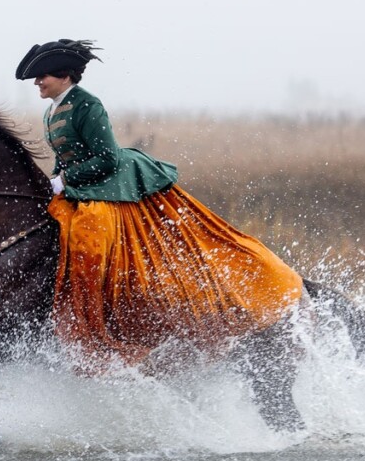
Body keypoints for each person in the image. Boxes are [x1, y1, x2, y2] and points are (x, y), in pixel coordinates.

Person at [16, 39, 304, 369]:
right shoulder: (51, 110)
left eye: (43, 76)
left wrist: (66, 180)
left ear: (64, 76)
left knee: (90, 236)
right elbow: (66, 158)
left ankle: (104, 321)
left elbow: (107, 158)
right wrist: (54, 181)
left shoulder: (87, 105)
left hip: (108, 192)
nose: (38, 82)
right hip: (80, 190)